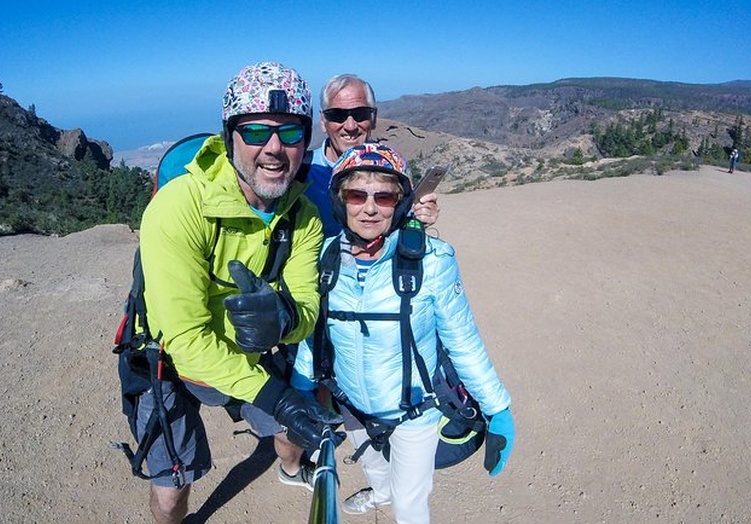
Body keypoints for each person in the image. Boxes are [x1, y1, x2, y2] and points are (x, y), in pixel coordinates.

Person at [136, 62, 342, 523]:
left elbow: (307, 304)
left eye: (290, 133)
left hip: (253, 356)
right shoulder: (179, 207)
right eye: (255, 132)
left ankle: (290, 469)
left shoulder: (302, 214)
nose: (273, 148)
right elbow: (185, 338)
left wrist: (286, 319)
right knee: (172, 487)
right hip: (170, 360)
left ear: (306, 140)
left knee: (295, 432)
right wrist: (277, 396)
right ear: (230, 137)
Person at [291, 143, 515, 523]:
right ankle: (379, 492)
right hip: (352, 405)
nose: (370, 207)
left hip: (414, 414)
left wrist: (497, 408)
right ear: (340, 200)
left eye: (385, 196)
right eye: (357, 194)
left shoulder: (433, 260)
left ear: (400, 203)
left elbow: (462, 340)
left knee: (410, 507)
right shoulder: (325, 258)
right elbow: (314, 331)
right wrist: (300, 386)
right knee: (374, 468)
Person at [306, 74, 439, 237]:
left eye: (360, 114)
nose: (350, 126)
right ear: (322, 121)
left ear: (373, 118)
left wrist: (418, 220)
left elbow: (398, 225)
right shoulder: (303, 170)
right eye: (337, 115)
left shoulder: (394, 166)